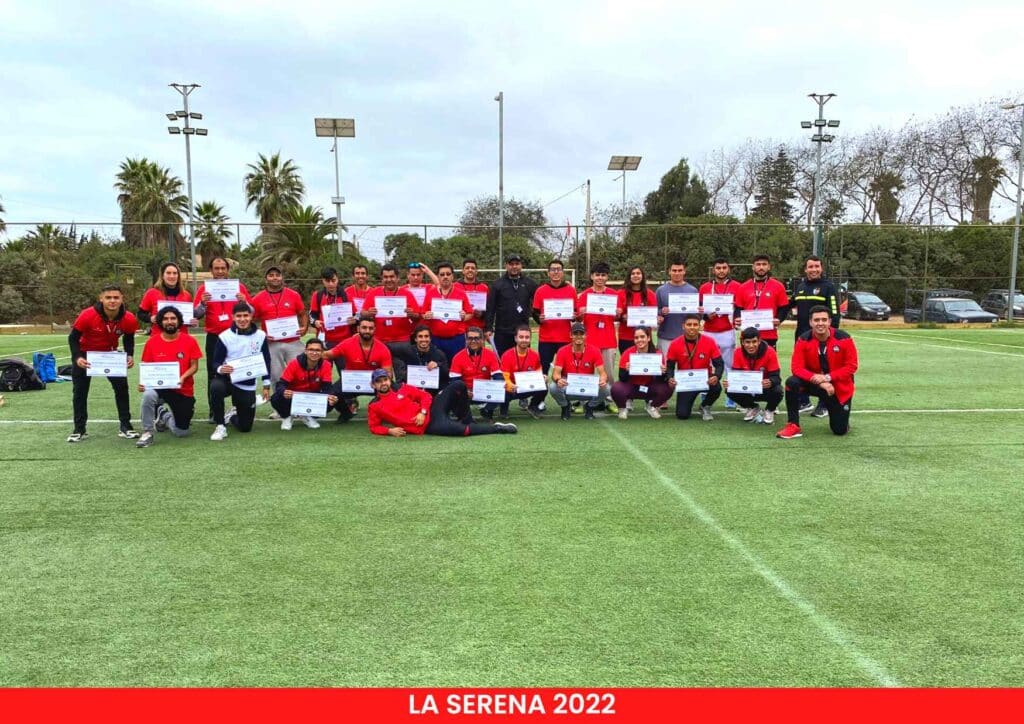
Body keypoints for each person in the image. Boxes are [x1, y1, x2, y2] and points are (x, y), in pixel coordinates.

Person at [67, 284, 140, 442]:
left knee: (122, 389)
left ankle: (125, 426)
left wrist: (129, 355)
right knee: (80, 392)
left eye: (116, 297)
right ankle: (79, 429)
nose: (112, 301)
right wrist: (77, 357)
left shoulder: (128, 318)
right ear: (101, 299)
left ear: (122, 299)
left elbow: (128, 338)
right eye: (108, 297)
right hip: (86, 356)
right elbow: (73, 338)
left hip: (111, 356)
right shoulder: (87, 315)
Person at [777, 306, 858, 439]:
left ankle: (840, 417)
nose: (820, 323)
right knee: (792, 382)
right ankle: (793, 425)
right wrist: (820, 381)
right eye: (816, 320)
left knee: (839, 430)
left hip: (838, 387)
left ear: (830, 321)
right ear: (810, 322)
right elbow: (796, 368)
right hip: (816, 384)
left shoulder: (844, 338)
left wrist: (827, 377)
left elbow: (851, 366)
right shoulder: (804, 339)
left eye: (824, 320)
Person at [367, 369, 517, 437]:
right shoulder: (374, 405)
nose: (383, 383)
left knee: (458, 385)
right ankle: (497, 428)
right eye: (379, 382)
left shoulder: (401, 387)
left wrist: (423, 411)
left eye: (385, 379)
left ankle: (467, 419)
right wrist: (390, 431)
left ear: (389, 379)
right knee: (463, 431)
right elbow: (374, 427)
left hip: (431, 411)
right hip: (429, 426)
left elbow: (425, 396)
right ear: (373, 385)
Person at [194, 255, 253, 421]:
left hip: (237, 337)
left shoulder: (239, 288)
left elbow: (251, 312)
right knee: (214, 374)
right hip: (215, 338)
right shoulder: (203, 290)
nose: (220, 271)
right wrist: (202, 304)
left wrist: (244, 301)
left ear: (228, 270)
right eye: (216, 268)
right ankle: (215, 411)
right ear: (211, 270)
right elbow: (196, 315)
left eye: (223, 268)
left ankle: (238, 408)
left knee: (239, 371)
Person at [135, 306, 203, 448]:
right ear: (160, 322)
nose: (169, 321)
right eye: (166, 319)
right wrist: (143, 383)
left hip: (182, 388)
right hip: (160, 387)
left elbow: (194, 366)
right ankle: (147, 432)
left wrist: (183, 377)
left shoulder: (190, 341)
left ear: (179, 321)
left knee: (182, 432)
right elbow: (147, 368)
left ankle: (163, 415)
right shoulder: (152, 342)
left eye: (173, 318)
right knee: (148, 395)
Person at [208, 302, 271, 441]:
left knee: (245, 427)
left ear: (251, 316)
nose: (242, 319)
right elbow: (215, 362)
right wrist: (220, 368)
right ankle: (220, 426)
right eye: (238, 316)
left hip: (246, 382)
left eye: (245, 316)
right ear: (233, 317)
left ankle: (232, 415)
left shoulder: (261, 335)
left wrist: (266, 384)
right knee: (215, 387)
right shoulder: (225, 336)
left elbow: (266, 360)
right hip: (227, 379)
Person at [790, 255, 841, 416]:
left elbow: (835, 312)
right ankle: (804, 401)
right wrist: (775, 318)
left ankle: (824, 403)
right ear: (805, 269)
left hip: (822, 337)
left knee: (823, 368)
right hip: (802, 336)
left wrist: (831, 335)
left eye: (816, 266)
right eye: (810, 267)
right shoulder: (800, 287)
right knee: (801, 367)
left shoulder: (828, 287)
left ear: (821, 268)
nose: (814, 270)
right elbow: (789, 305)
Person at [250, 265, 307, 397]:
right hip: (271, 344)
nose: (275, 278)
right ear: (266, 279)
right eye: (271, 275)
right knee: (276, 375)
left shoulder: (293, 295)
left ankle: (299, 405)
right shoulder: (258, 298)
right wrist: (261, 334)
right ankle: (280, 406)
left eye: (277, 275)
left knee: (299, 373)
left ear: (282, 278)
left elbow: (302, 313)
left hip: (293, 342)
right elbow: (250, 320)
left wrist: (303, 328)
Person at [270, 338, 346, 430]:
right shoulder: (294, 364)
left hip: (312, 397)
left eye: (317, 350)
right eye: (311, 350)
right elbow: (281, 384)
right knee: (276, 398)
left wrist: (330, 396)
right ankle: (287, 416)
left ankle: (307, 416)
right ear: (305, 351)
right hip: (293, 397)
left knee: (332, 399)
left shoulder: (326, 365)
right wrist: (284, 391)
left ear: (322, 352)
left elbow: (327, 387)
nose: (314, 353)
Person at [324, 316, 394, 416]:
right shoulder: (347, 343)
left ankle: (379, 407)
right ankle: (346, 412)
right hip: (350, 381)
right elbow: (328, 354)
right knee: (330, 398)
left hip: (374, 382)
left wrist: (380, 384)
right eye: (364, 327)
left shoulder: (383, 349)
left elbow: (388, 374)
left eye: (370, 328)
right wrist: (312, 354)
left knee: (394, 390)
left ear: (374, 330)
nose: (367, 331)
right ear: (358, 329)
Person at [576, 261, 620, 414]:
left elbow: (618, 314)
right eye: (597, 275)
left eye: (603, 275)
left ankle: (609, 400)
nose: (600, 278)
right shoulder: (584, 295)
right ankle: (584, 401)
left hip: (608, 340)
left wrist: (617, 312)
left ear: (607, 277)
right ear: (592, 276)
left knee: (608, 374)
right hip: (589, 341)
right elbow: (578, 318)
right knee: (585, 374)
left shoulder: (614, 295)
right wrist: (581, 313)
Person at [699, 257, 742, 409]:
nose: (721, 270)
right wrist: (705, 316)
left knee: (730, 364)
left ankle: (731, 395)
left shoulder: (737, 286)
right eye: (718, 268)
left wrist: (737, 318)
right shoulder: (705, 287)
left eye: (724, 267)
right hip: (708, 332)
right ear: (714, 270)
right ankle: (706, 392)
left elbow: (740, 307)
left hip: (727, 331)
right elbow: (699, 310)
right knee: (707, 364)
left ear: (728, 269)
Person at [665, 314, 724, 421]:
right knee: (682, 415)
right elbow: (670, 366)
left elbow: (719, 364)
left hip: (704, 379)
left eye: (695, 325)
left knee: (716, 387)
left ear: (700, 326)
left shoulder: (710, 341)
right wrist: (670, 378)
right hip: (686, 382)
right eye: (689, 324)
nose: (692, 327)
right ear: (683, 326)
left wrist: (716, 376)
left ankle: (705, 406)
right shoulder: (675, 343)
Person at [548, 322, 611, 420]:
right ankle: (565, 407)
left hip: (587, 385)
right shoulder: (562, 350)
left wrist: (603, 380)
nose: (578, 336)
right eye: (575, 334)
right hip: (568, 385)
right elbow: (556, 373)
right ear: (571, 335)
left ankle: (590, 407)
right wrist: (558, 380)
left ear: (586, 335)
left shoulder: (594, 350)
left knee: (606, 388)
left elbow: (602, 373)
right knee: (553, 387)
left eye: (581, 334)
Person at [724, 327, 782, 425]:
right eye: (747, 342)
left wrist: (770, 381)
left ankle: (769, 410)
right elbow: (736, 375)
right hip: (747, 388)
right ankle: (752, 407)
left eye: (754, 341)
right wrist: (730, 382)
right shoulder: (738, 352)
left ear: (759, 341)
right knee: (729, 389)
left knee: (778, 390)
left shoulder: (770, 351)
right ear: (742, 342)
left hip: (764, 388)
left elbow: (777, 377)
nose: (751, 345)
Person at [612, 326, 671, 419]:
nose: (639, 340)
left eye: (642, 337)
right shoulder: (628, 353)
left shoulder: (657, 353)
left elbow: (660, 380)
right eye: (636, 338)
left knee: (669, 386)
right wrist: (626, 371)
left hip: (649, 387)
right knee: (616, 388)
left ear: (648, 338)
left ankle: (652, 406)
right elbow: (622, 378)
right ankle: (623, 408)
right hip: (632, 387)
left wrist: (663, 373)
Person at [486, 253, 537, 357]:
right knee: (502, 361)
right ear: (506, 265)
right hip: (502, 332)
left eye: (517, 264)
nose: (514, 266)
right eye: (511, 264)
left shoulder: (529, 283)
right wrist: (488, 328)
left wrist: (539, 319)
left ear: (521, 265)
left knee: (523, 361)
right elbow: (490, 308)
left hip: (522, 332)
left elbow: (538, 303)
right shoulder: (497, 284)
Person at [532, 259, 577, 375]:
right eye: (553, 270)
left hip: (565, 339)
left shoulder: (571, 290)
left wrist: (573, 316)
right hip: (546, 339)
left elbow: (575, 313)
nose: (556, 272)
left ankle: (565, 393)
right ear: (548, 273)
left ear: (562, 272)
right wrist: (539, 319)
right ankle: (541, 393)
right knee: (543, 372)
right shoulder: (540, 291)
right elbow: (535, 312)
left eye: (558, 269)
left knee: (567, 371)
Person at [733, 254, 789, 348]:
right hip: (747, 335)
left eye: (764, 264)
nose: (761, 267)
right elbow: (738, 308)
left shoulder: (778, 286)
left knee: (768, 362)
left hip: (769, 335)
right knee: (747, 363)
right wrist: (737, 318)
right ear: (753, 267)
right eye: (758, 264)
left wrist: (779, 319)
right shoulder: (743, 287)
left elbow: (784, 308)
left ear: (769, 267)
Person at [422, 261, 474, 361]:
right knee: (437, 367)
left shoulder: (461, 293)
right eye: (442, 274)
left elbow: (470, 313)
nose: (445, 277)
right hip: (436, 338)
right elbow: (423, 313)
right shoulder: (431, 293)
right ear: (438, 276)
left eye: (448, 274)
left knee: (456, 366)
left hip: (456, 339)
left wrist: (464, 316)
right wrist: (426, 315)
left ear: (452, 276)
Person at [309, 266, 357, 374]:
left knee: (345, 373)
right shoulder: (318, 296)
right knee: (322, 373)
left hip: (344, 341)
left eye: (333, 280)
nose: (331, 284)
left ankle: (346, 391)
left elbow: (356, 316)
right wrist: (315, 322)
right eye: (327, 281)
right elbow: (312, 315)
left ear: (337, 279)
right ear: (323, 281)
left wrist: (354, 320)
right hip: (325, 341)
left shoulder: (346, 296)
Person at [449, 327, 504, 419]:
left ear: (482, 340)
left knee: (503, 388)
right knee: (450, 391)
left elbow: (498, 376)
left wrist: (497, 387)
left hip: (484, 391)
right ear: (466, 340)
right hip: (466, 392)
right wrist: (464, 391)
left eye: (476, 338)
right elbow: (454, 381)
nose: (473, 341)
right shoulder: (457, 357)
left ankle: (487, 409)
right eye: (470, 338)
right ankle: (459, 410)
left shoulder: (490, 355)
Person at [363, 263, 421, 350]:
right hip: (379, 340)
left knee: (402, 364)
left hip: (402, 341)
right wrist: (368, 313)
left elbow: (418, 316)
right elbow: (362, 313)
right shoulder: (374, 293)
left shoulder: (407, 294)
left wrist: (412, 314)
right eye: (385, 277)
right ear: (381, 279)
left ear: (398, 278)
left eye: (392, 276)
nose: (389, 279)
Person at [498, 324, 546, 419]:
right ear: (516, 338)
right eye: (521, 337)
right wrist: (510, 385)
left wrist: (542, 378)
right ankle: (503, 409)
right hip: (512, 388)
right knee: (503, 387)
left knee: (544, 386)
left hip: (526, 387)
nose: (524, 340)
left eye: (527, 337)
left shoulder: (535, 355)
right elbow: (505, 377)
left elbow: (538, 372)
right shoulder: (507, 355)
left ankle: (533, 406)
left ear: (530, 339)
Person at [655, 258, 699, 355]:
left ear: (684, 271)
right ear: (669, 272)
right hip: (666, 337)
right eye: (674, 270)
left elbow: (697, 315)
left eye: (680, 270)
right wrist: (661, 311)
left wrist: (700, 311)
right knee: (666, 368)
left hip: (687, 337)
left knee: (685, 368)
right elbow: (654, 311)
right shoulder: (660, 290)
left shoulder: (693, 290)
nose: (677, 273)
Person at [138, 261, 194, 333]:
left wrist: (192, 322)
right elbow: (140, 314)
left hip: (181, 338)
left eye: (175, 273)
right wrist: (150, 318)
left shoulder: (186, 295)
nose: (172, 276)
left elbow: (188, 318)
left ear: (178, 276)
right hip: (158, 338)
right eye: (168, 273)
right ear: (162, 276)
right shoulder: (151, 293)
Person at [391, 325, 450, 392]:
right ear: (415, 339)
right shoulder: (407, 350)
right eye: (420, 336)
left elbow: (447, 375)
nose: (423, 339)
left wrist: (438, 365)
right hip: (412, 390)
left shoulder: (439, 354)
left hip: (434, 390)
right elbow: (387, 349)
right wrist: (401, 370)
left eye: (426, 336)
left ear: (430, 338)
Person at [616, 265, 657, 354]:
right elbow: (617, 316)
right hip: (626, 337)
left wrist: (656, 318)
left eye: (638, 273)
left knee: (645, 365)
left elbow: (654, 315)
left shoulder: (650, 294)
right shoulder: (620, 293)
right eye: (633, 273)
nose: (636, 275)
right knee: (628, 364)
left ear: (642, 276)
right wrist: (622, 316)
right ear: (629, 276)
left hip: (644, 337)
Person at [454, 258, 488, 332]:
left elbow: (489, 309)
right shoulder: (455, 287)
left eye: (473, 268)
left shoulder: (484, 287)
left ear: (476, 271)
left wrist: (481, 314)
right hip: (459, 329)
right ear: (463, 271)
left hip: (478, 329)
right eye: (467, 268)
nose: (470, 270)